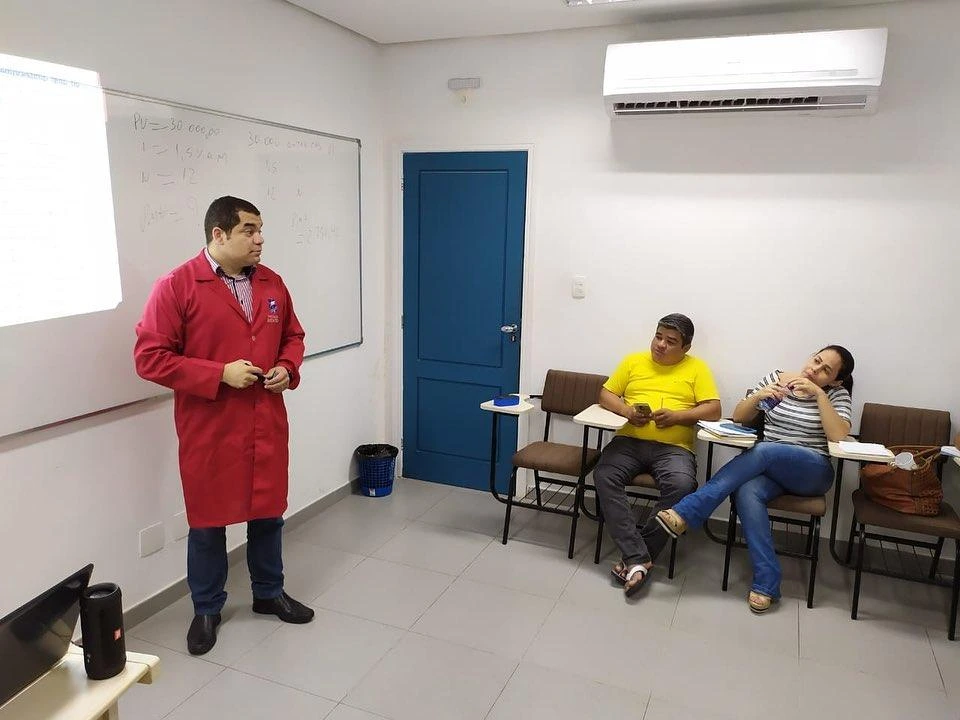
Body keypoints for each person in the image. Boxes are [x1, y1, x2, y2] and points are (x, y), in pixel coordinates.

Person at [134, 196, 314, 656]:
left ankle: (269, 593)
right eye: (249, 230)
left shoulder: (272, 283)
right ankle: (207, 609)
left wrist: (287, 368)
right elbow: (150, 358)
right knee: (208, 523)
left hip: (265, 421)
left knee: (268, 514)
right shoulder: (177, 286)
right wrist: (218, 374)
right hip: (210, 428)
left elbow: (293, 336)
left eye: (260, 229)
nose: (260, 239)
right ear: (218, 233)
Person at [656, 345, 855, 614]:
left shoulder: (836, 395)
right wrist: (759, 396)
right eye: (816, 360)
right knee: (747, 491)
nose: (814, 369)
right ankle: (767, 581)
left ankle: (688, 511)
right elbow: (739, 417)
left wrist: (819, 394)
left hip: (812, 471)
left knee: (764, 450)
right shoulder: (778, 378)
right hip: (770, 469)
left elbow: (839, 435)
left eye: (825, 370)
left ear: (836, 380)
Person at [594, 313, 721, 597]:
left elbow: (714, 410)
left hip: (674, 449)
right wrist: (627, 411)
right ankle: (638, 557)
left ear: (686, 347)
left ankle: (636, 557)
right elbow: (605, 395)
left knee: (682, 485)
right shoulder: (633, 361)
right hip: (629, 441)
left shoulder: (697, 368)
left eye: (670, 341)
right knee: (604, 475)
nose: (660, 345)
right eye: (658, 336)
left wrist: (678, 416)